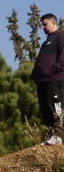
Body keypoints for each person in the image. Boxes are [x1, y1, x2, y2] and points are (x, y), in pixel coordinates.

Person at [31, 13, 64, 146]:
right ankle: (51, 135)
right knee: (45, 108)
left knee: (55, 107)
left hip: (55, 78)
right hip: (43, 80)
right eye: (42, 25)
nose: (43, 28)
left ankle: (58, 135)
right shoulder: (47, 41)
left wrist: (56, 68)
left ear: (54, 23)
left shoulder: (61, 36)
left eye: (45, 24)